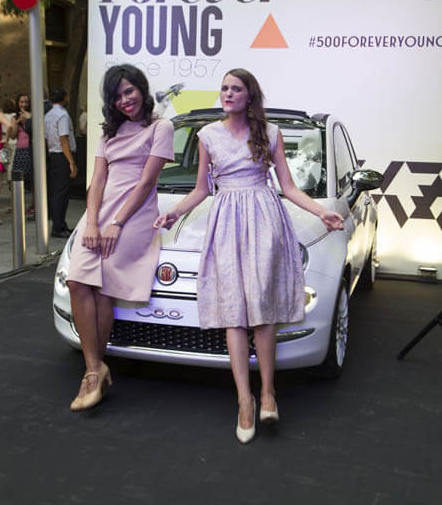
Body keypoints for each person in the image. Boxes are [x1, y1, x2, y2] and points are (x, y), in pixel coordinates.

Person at [154, 68, 344, 444]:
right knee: (233, 315)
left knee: (262, 313)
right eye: (224, 88)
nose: (227, 93)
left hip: (263, 221)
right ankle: (245, 400)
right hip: (226, 222)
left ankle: (268, 393)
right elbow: (202, 189)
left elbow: (288, 187)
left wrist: (321, 211)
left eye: (236, 88)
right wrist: (174, 212)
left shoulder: (270, 134)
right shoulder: (208, 135)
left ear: (249, 96)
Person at [66, 64, 174, 412]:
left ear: (141, 89)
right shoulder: (107, 132)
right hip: (101, 213)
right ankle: (95, 368)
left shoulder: (161, 127)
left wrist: (116, 223)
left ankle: (92, 376)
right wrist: (92, 223)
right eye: (117, 96)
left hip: (134, 215)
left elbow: (146, 182)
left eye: (129, 91)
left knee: (103, 286)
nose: (125, 100)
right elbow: (97, 180)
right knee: (77, 282)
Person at [45, 88, 78, 237]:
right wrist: (71, 162)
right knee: (61, 193)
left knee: (57, 191)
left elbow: (47, 138)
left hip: (54, 154)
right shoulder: (63, 115)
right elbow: (63, 138)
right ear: (64, 97)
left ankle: (60, 225)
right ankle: (58, 227)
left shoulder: (48, 115)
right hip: (63, 155)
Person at [7, 94, 35, 218]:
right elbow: (13, 136)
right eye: (21, 102)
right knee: (17, 179)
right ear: (18, 103)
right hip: (20, 151)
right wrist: (17, 122)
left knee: (33, 180)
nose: (23, 104)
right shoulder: (15, 117)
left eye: (26, 102)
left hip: (31, 149)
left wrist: (29, 119)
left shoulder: (33, 115)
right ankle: (18, 205)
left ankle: (34, 206)